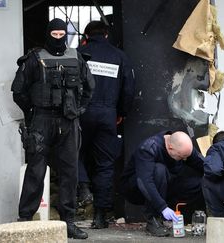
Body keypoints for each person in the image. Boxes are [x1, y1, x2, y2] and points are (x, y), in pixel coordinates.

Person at [11, 18, 95, 239]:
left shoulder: (76, 58)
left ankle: (69, 222)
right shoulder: (34, 59)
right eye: (54, 35)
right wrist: (33, 112)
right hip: (41, 121)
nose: (58, 39)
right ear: (48, 34)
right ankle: (25, 220)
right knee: (35, 171)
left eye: (61, 35)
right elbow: (18, 91)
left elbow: (89, 88)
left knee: (70, 173)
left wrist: (79, 110)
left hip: (69, 122)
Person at [76, 20, 135, 229]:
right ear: (107, 35)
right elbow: (128, 90)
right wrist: (121, 113)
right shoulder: (119, 56)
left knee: (73, 153)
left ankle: (83, 188)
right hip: (108, 115)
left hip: (80, 113)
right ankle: (100, 216)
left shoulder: (78, 54)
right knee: (105, 165)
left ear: (86, 36)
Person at [120, 131, 205, 237]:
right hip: (137, 188)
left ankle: (173, 216)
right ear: (170, 147)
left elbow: (202, 164)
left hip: (166, 184)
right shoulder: (149, 148)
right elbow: (144, 182)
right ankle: (153, 219)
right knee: (159, 170)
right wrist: (162, 207)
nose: (184, 159)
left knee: (199, 182)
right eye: (181, 157)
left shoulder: (182, 148)